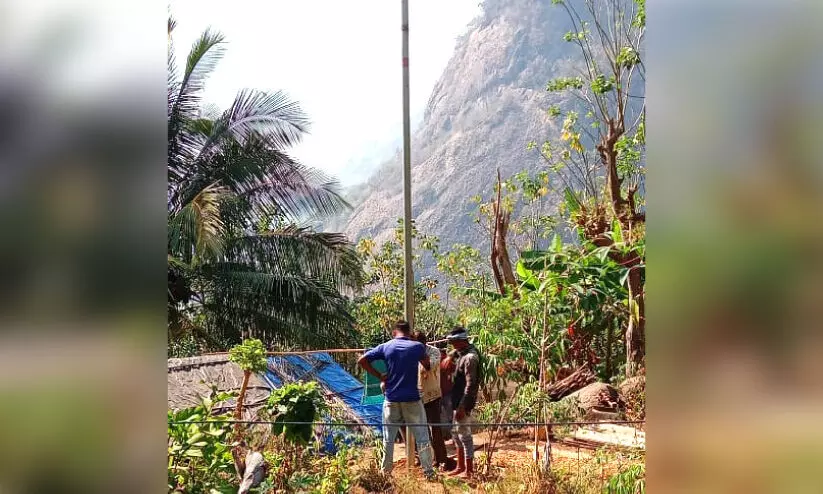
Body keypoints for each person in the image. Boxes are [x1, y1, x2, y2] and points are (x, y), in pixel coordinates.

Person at [358, 320, 436, 480]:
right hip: (412, 399)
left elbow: (362, 361)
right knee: (422, 438)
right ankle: (429, 474)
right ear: (409, 332)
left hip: (391, 399)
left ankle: (385, 475)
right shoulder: (417, 347)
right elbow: (427, 365)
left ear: (394, 332)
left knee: (388, 440)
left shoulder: (386, 346)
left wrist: (380, 375)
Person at [446, 326, 481, 478]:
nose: (452, 345)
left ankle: (469, 471)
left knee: (465, 435)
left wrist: (462, 406)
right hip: (456, 400)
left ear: (461, 341)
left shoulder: (470, 358)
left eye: (454, 341)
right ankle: (460, 467)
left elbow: (471, 385)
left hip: (463, 402)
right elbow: (454, 353)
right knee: (456, 433)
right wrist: (450, 356)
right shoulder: (462, 352)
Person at [412, 331, 449, 469]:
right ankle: (423, 458)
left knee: (435, 430)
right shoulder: (410, 353)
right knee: (420, 430)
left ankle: (442, 459)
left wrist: (418, 352)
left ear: (423, 343)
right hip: (416, 396)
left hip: (432, 396)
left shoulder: (434, 352)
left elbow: (429, 366)